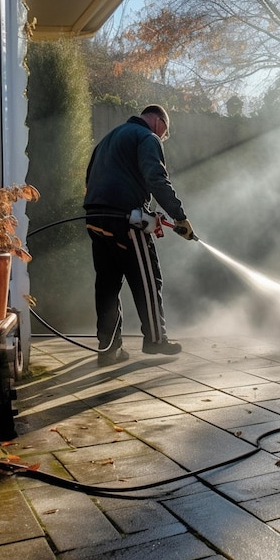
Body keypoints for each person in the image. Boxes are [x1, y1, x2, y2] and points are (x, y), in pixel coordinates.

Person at [84, 104, 195, 366]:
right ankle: (156, 340)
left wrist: (147, 212)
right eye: (165, 132)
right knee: (147, 277)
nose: (163, 138)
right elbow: (156, 178)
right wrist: (179, 216)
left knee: (108, 285)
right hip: (124, 220)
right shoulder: (148, 137)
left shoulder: (109, 139)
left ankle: (109, 349)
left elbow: (93, 178)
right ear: (159, 122)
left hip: (95, 218)